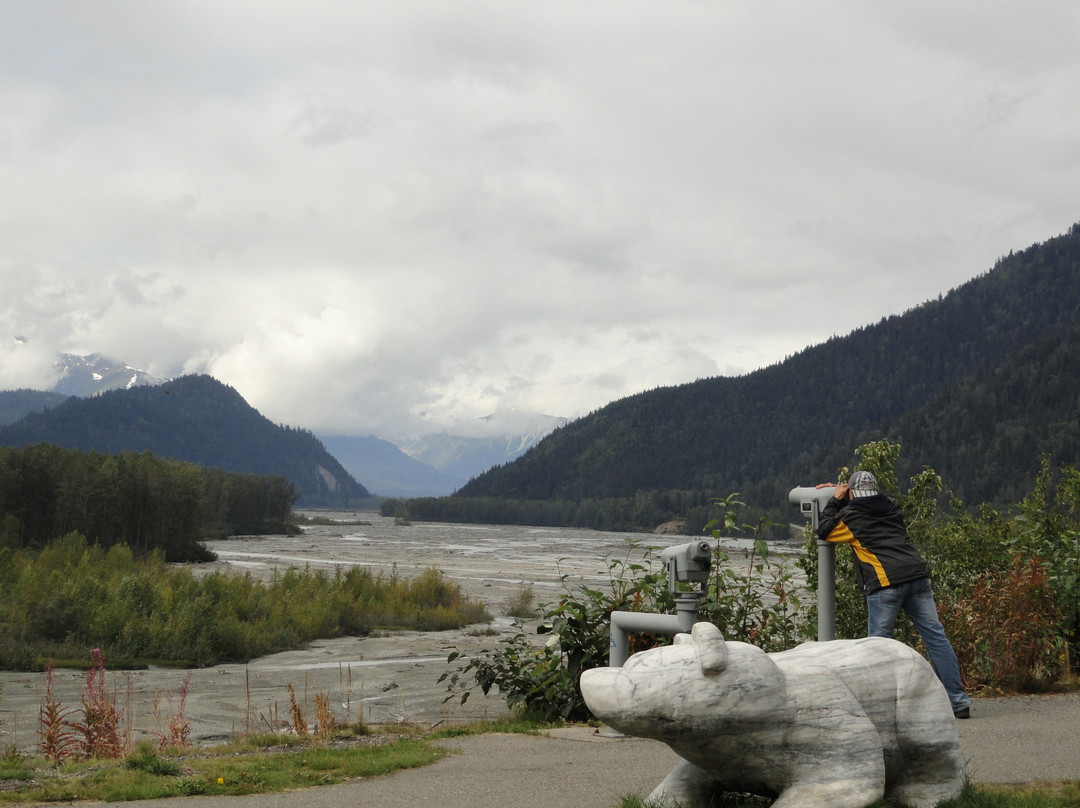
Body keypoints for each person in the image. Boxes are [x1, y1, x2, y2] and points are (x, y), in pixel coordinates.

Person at [816, 470, 971, 719]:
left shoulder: (851, 518)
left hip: (886, 582)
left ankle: (880, 709)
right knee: (936, 638)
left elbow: (825, 530)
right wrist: (844, 491)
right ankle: (958, 702)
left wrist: (834, 499)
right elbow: (867, 505)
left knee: (878, 649)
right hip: (917, 576)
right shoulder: (892, 507)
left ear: (852, 493)